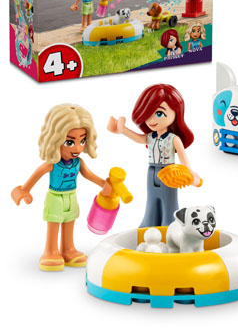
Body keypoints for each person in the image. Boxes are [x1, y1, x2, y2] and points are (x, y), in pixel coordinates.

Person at [11, 104, 111, 271]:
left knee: (69, 221)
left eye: (82, 140)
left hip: (72, 196)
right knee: (54, 223)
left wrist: (104, 184)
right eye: (70, 142)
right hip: (55, 198)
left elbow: (89, 175)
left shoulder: (78, 162)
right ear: (55, 140)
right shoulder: (52, 164)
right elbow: (36, 175)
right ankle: (50, 251)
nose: (78, 148)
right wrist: (24, 190)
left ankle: (68, 249)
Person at [108, 84, 200, 227]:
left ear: (175, 113)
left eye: (159, 113)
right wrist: (122, 130)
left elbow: (184, 161)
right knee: (152, 200)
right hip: (151, 172)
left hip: (169, 174)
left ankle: (170, 226)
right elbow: (138, 138)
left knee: (169, 203)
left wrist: (190, 175)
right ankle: (149, 223)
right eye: (147, 114)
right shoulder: (151, 137)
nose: (151, 120)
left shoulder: (174, 139)